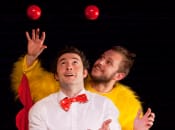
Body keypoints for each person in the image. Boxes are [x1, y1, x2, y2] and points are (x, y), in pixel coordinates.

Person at [11, 28, 155, 130]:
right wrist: (31, 57)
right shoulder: (64, 83)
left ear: (119, 76)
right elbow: (30, 84)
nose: (99, 62)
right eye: (101, 57)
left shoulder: (127, 106)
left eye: (108, 62)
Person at [28, 46, 121, 130]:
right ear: (56, 75)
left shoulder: (105, 105)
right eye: (63, 63)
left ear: (84, 73)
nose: (69, 67)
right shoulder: (40, 109)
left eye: (75, 62)